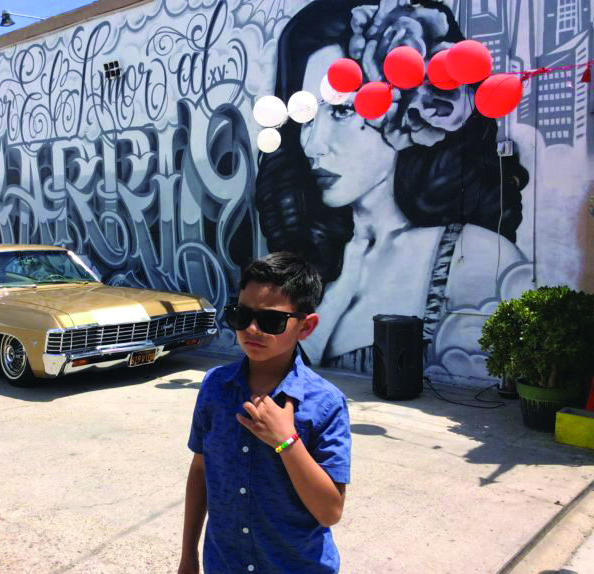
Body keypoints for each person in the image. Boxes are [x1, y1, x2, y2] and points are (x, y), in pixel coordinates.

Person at [255, 0, 529, 372]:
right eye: (307, 119)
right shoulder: (326, 255)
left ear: (408, 112)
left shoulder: (476, 259)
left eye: (342, 110)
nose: (313, 145)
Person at [179, 252, 351, 574]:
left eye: (271, 321)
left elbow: (330, 511)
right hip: (224, 565)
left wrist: (287, 441)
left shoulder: (326, 404)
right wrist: (188, 553)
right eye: (242, 315)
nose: (252, 329)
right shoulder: (215, 387)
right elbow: (201, 470)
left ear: (306, 326)